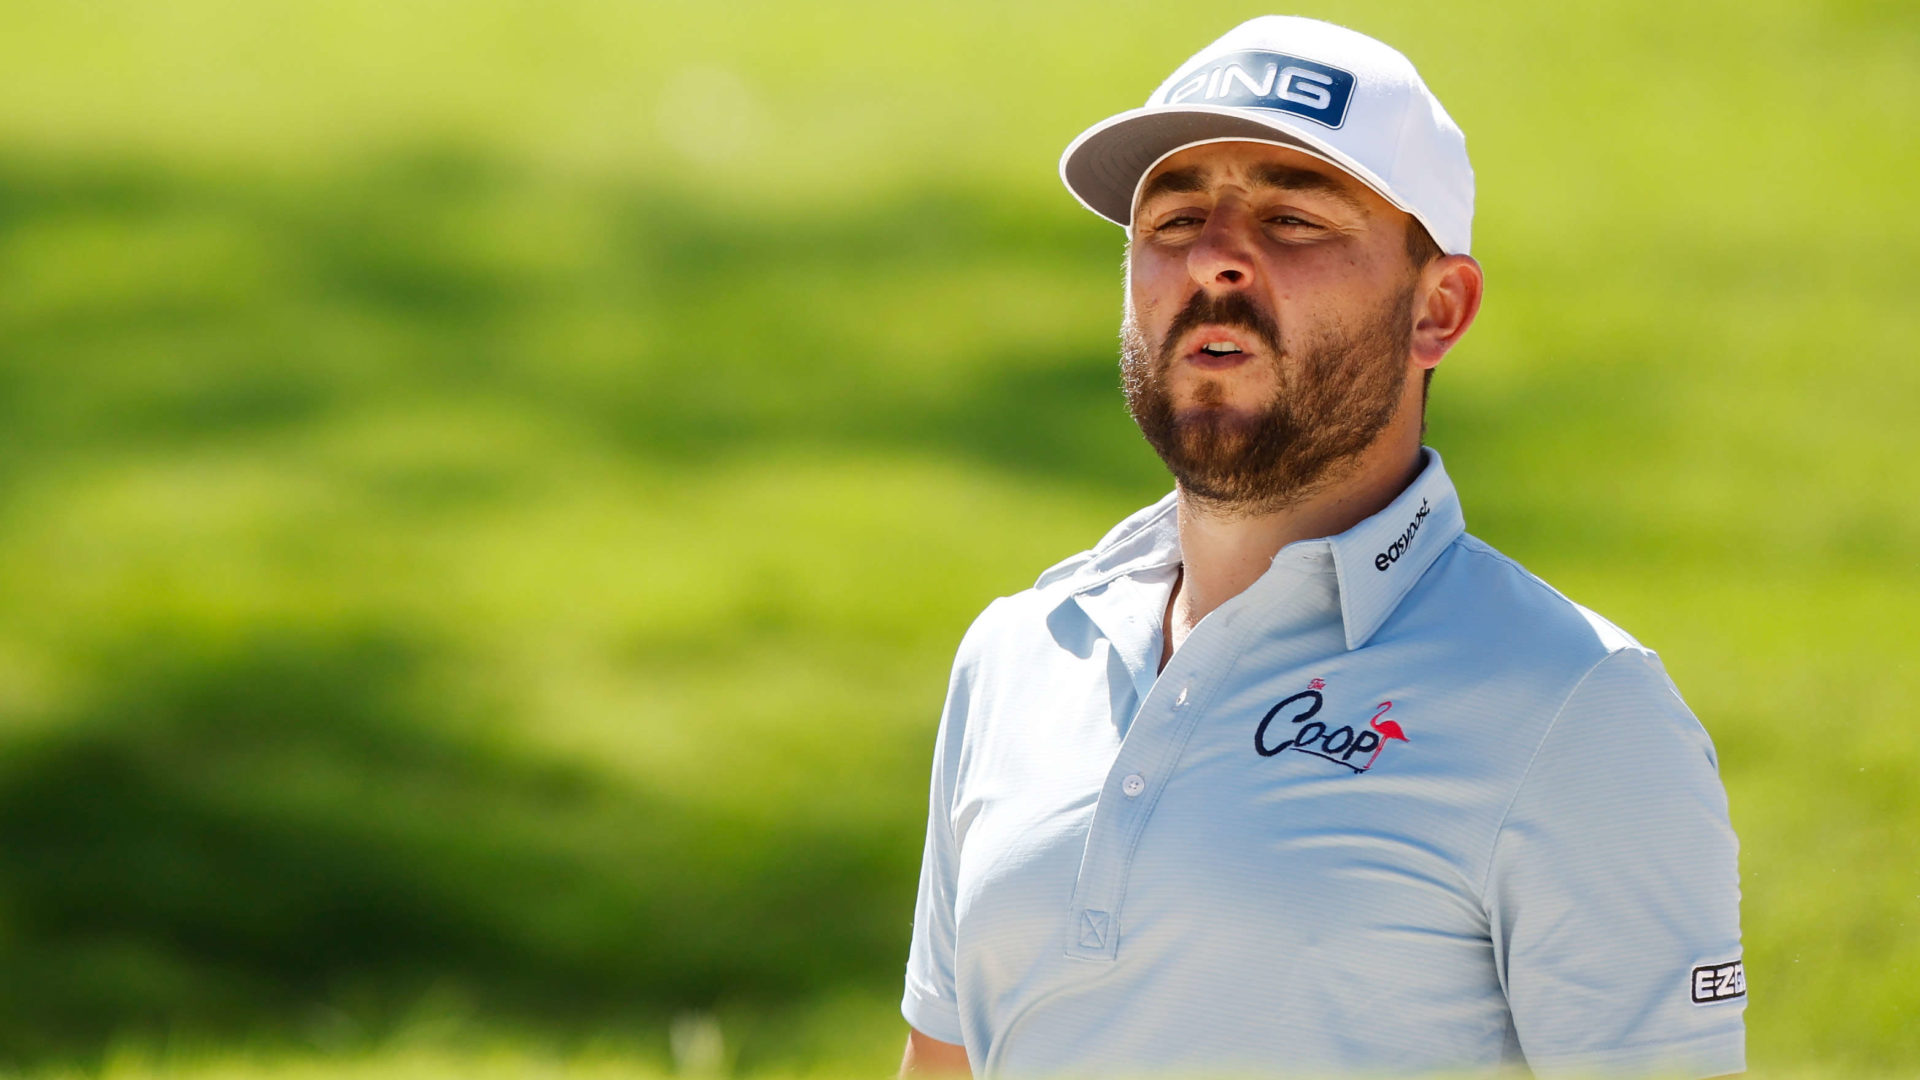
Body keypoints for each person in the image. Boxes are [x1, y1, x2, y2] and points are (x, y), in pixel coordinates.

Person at [897, 15, 1745, 1080]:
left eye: (1293, 219)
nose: (1214, 256)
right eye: (1174, 216)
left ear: (1439, 309)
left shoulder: (1582, 706)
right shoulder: (1019, 655)